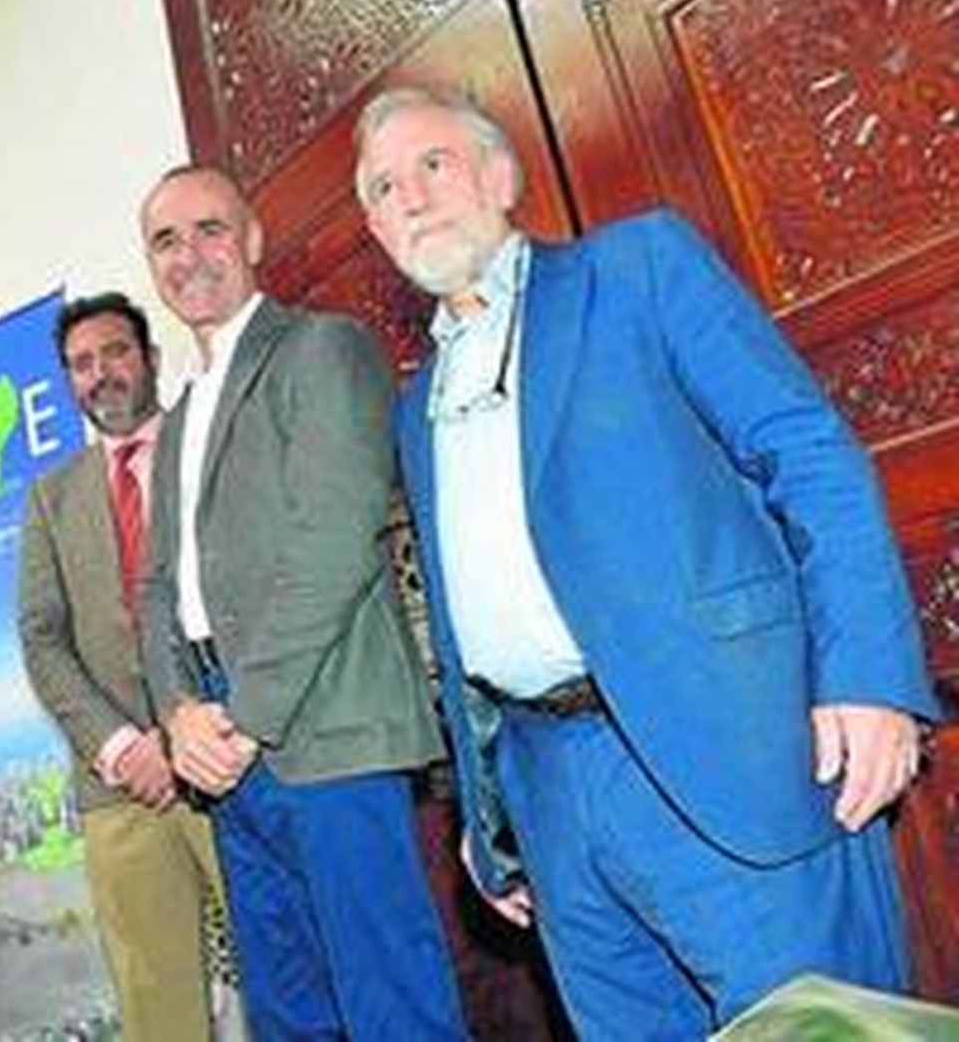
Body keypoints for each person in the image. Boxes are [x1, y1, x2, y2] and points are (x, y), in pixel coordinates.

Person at [354, 84, 940, 1037]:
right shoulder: (413, 412)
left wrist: (871, 676)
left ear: (502, 178)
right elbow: (464, 622)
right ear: (376, 230)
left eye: (434, 164)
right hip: (553, 808)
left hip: (730, 754)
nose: (411, 197)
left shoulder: (639, 268)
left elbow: (809, 452)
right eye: (382, 188)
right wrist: (489, 814)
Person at [136, 164, 468, 1040]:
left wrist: (242, 715)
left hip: (324, 731)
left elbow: (334, 538)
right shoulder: (173, 423)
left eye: (210, 229)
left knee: (392, 1004)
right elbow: (159, 586)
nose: (189, 255)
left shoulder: (322, 348)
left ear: (249, 240)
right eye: (165, 241)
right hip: (222, 750)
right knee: (289, 1013)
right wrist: (178, 711)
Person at [16, 293, 226, 1042]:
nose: (100, 373)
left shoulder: (209, 443)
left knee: (287, 969)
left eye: (115, 352)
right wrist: (121, 746)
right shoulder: (50, 497)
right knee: (156, 1004)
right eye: (81, 363)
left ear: (150, 358)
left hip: (231, 759)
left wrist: (193, 733)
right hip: (119, 786)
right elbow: (41, 639)